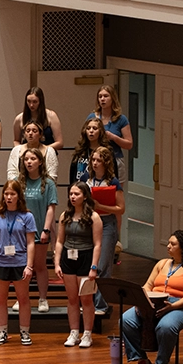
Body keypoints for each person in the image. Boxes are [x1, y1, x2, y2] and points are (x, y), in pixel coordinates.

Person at [122, 230, 183, 364]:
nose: (168, 246)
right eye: (168, 243)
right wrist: (142, 300)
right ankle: (142, 361)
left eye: (173, 244)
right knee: (126, 320)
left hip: (181, 306)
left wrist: (172, 307)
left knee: (166, 326)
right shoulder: (162, 263)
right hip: (152, 302)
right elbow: (147, 285)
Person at [0, 180, 36, 346]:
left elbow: (30, 243)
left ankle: (25, 332)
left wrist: (29, 265)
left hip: (20, 262)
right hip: (0, 262)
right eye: (6, 194)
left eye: (12, 194)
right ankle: (2, 332)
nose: (9, 197)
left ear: (18, 196)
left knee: (23, 299)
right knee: (0, 300)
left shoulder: (27, 216)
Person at [54, 182, 103, 348]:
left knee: (86, 299)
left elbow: (97, 244)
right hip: (68, 258)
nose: (73, 197)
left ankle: (87, 333)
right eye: (71, 194)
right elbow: (60, 241)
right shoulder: (65, 215)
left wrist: (94, 267)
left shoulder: (93, 217)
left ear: (85, 196)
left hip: (86, 258)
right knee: (72, 298)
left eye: (77, 194)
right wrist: (57, 263)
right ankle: (74, 331)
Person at [16, 147, 57, 312]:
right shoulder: (19, 182)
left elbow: (51, 208)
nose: (29, 162)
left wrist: (46, 230)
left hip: (39, 230)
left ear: (40, 161)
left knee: (39, 265)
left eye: (32, 159)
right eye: (26, 159)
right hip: (20, 233)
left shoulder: (48, 183)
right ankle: (21, 298)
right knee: (22, 265)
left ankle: (42, 299)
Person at [87, 146, 125, 315]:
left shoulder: (113, 182)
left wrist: (100, 206)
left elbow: (121, 208)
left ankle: (101, 305)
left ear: (106, 162)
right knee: (88, 264)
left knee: (103, 265)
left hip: (107, 222)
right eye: (93, 160)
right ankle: (88, 303)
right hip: (89, 222)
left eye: (98, 160)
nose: (95, 163)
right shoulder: (86, 179)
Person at [94, 84, 133, 188]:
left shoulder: (121, 119)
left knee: (115, 192)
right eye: (100, 96)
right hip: (96, 159)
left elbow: (129, 144)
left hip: (115, 159)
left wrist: (113, 137)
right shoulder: (92, 117)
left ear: (112, 98)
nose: (102, 99)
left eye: (106, 96)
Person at [13, 87, 64, 151]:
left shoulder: (51, 116)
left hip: (47, 154)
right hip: (28, 156)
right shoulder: (19, 118)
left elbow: (59, 143)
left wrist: (42, 150)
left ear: (40, 101)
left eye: (35, 102)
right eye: (29, 101)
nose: (31, 105)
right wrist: (22, 150)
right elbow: (16, 141)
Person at [70, 116, 111, 184]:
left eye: (94, 128)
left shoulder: (107, 152)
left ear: (100, 131)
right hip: (80, 189)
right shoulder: (80, 151)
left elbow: (112, 174)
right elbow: (72, 175)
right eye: (88, 128)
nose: (91, 131)